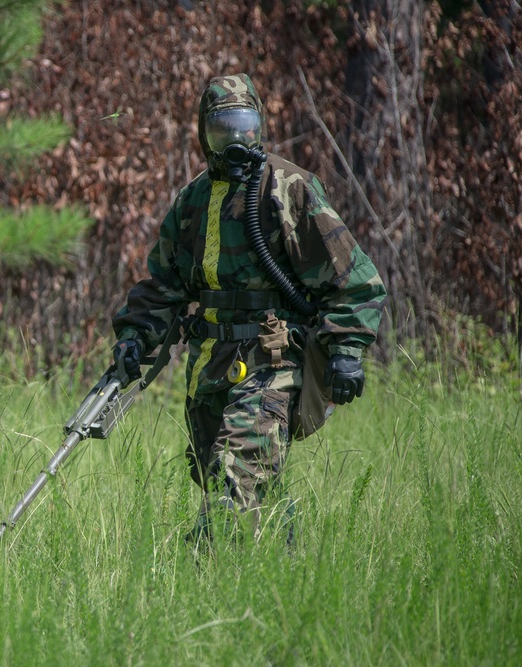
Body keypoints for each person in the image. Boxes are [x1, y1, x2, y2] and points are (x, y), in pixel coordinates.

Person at [111, 73, 387, 546]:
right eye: (223, 129)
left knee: (234, 480)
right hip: (209, 367)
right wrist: (135, 336)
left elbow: (356, 279)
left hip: (270, 364)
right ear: (204, 134)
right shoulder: (192, 200)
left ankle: (195, 573)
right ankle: (287, 580)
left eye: (244, 126)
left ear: (259, 127)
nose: (235, 140)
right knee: (236, 481)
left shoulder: (290, 189)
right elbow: (163, 285)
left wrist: (347, 348)